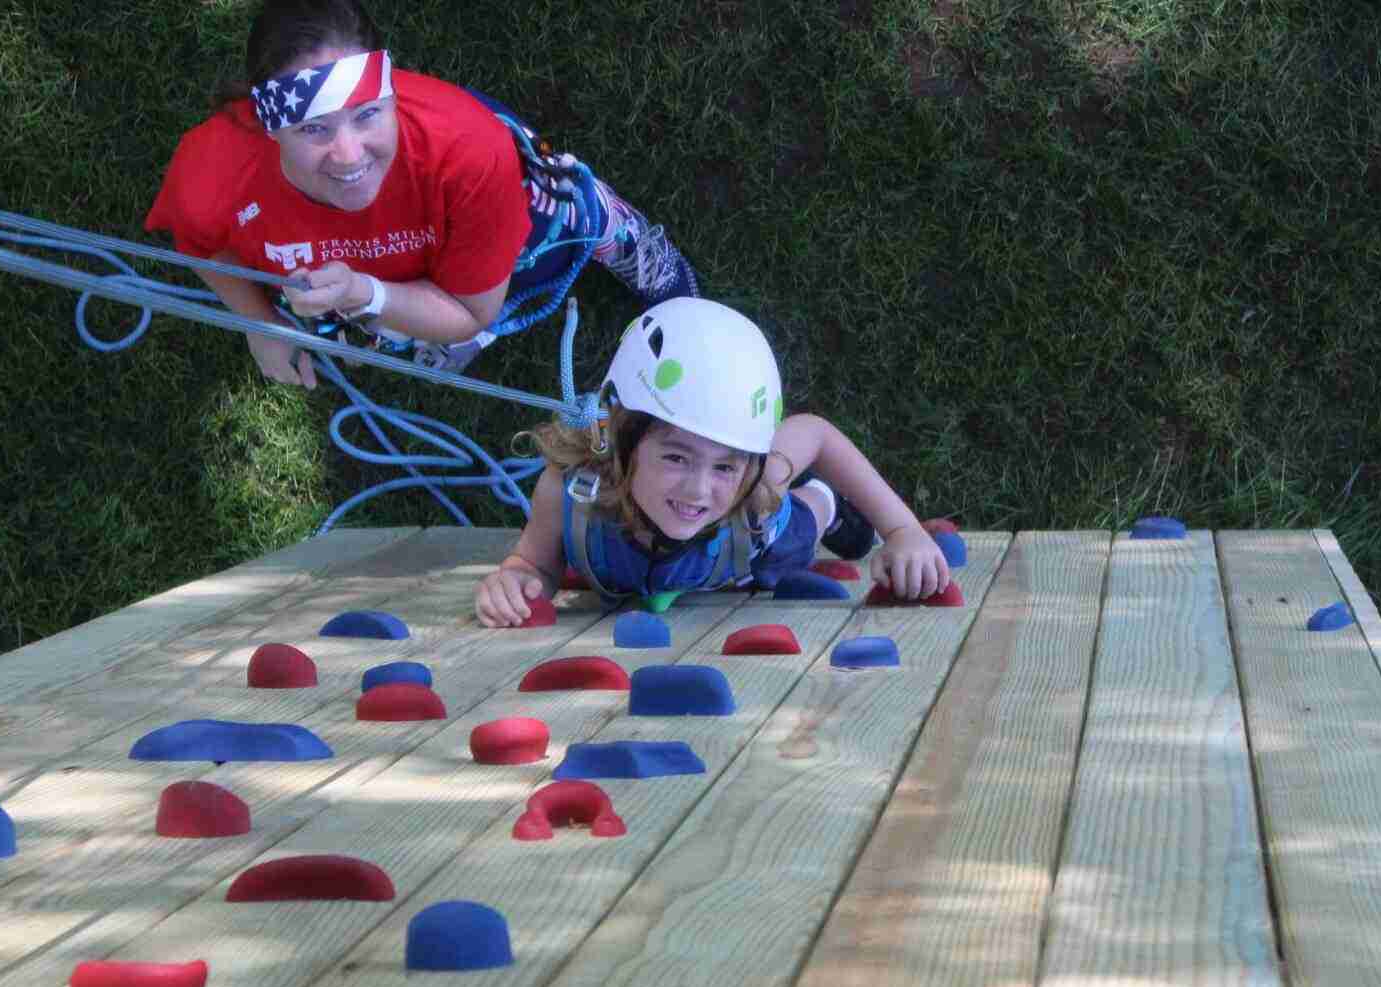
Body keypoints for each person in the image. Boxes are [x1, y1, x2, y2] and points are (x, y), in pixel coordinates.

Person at [144, 0, 699, 388]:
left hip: (494, 202)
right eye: (314, 129)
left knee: (557, 215)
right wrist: (260, 325)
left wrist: (365, 293)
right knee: (398, 337)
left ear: (390, 97)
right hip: (387, 274)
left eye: (367, 116)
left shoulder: (468, 151)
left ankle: (604, 221)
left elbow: (469, 311)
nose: (349, 157)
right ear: (271, 129)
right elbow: (201, 242)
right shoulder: (211, 174)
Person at [474, 298, 951, 625]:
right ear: (618, 435)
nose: (699, 490)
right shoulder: (569, 492)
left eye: (724, 466)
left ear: (749, 464)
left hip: (755, 546)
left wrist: (903, 531)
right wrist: (515, 580)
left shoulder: (753, 496)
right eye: (677, 456)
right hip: (663, 559)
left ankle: (825, 501)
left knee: (801, 530)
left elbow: (817, 435)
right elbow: (533, 565)